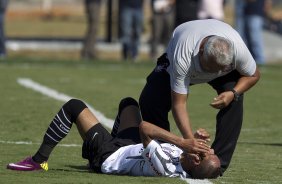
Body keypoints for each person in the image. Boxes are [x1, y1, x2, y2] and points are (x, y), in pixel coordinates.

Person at [138, 19, 260, 174]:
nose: (212, 74)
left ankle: (216, 164)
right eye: (209, 68)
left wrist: (233, 93)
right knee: (150, 99)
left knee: (235, 99)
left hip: (219, 66)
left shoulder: (237, 49)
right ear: (201, 50)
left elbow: (254, 75)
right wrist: (191, 144)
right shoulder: (183, 55)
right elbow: (179, 105)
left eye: (218, 70)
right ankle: (165, 153)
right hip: (180, 64)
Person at [7, 98, 220, 179]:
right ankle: (106, 138)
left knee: (74, 106)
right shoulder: (186, 158)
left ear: (195, 161)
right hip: (129, 146)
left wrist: (184, 141)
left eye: (205, 152)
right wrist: (193, 138)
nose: (207, 148)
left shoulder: (166, 167)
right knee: (129, 104)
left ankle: (38, 161)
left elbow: (145, 128)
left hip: (107, 156)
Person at [235, 0, 272, 65]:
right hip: (242, 11)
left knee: (255, 38)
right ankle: (250, 60)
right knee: (244, 37)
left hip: (255, 11)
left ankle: (260, 59)